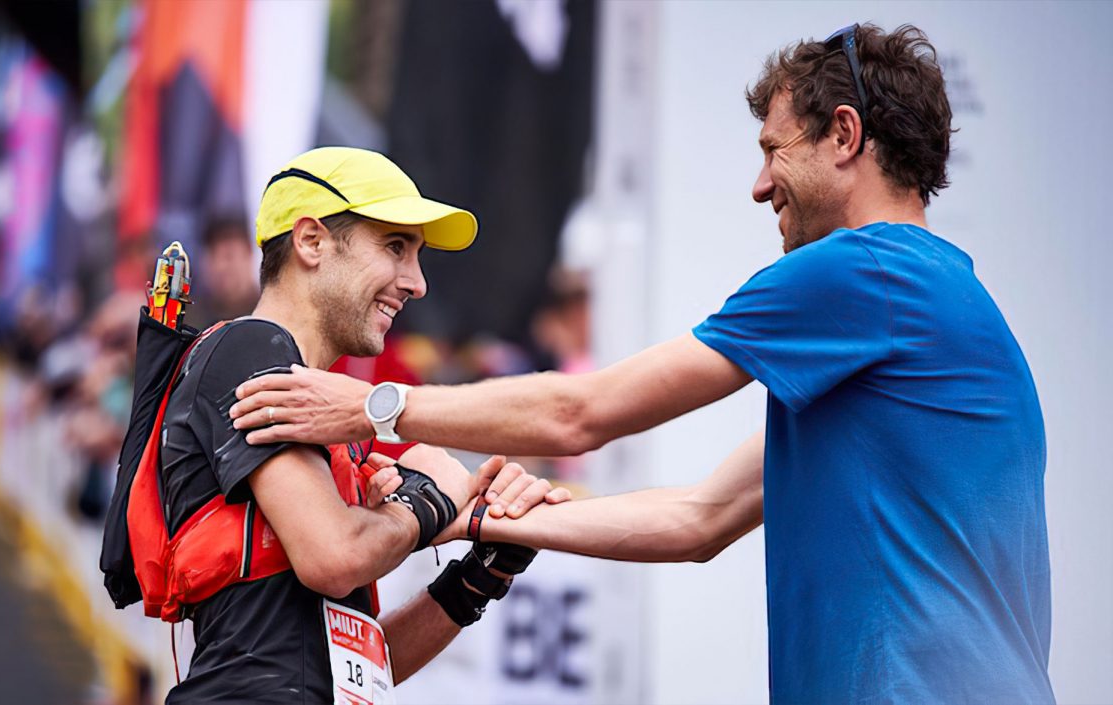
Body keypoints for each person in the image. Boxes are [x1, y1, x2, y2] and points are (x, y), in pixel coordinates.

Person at [229, 24, 1054, 703]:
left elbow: (580, 414)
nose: (761, 185)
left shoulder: (866, 270)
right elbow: (695, 520)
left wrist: (374, 409)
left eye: (775, 149)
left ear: (844, 134)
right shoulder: (923, 309)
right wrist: (479, 520)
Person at [158, 146, 568, 703]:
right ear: (310, 241)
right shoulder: (251, 345)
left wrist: (481, 575)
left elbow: (355, 666)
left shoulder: (320, 413)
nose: (417, 282)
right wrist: (431, 501)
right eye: (395, 247)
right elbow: (335, 558)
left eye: (418, 255)